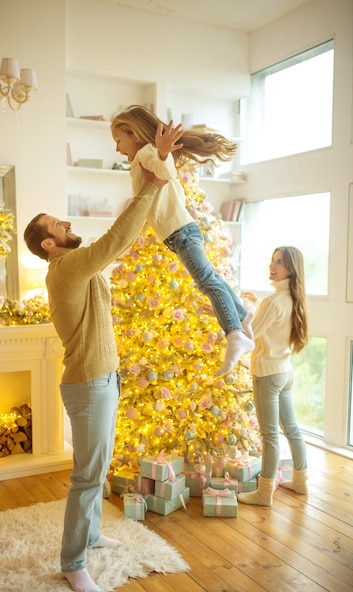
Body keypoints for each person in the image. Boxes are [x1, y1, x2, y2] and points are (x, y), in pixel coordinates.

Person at [23, 152, 174, 592]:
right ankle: (73, 561)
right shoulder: (66, 269)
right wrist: (150, 187)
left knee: (98, 467)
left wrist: (144, 182)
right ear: (48, 244)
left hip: (104, 380)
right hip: (89, 384)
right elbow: (115, 241)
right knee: (87, 476)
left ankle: (88, 536)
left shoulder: (74, 266)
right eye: (58, 225)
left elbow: (117, 231)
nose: (66, 223)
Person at [111, 105, 254, 377]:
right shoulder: (143, 156)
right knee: (210, 278)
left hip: (182, 233)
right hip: (179, 234)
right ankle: (244, 316)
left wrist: (163, 152)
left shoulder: (147, 152)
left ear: (133, 133)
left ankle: (235, 333)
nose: (118, 148)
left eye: (119, 140)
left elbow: (165, 174)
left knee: (206, 281)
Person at [237, 246, 309, 506]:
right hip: (285, 372)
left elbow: (249, 334)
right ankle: (301, 482)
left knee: (269, 435)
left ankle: (264, 492)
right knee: (291, 429)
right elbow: (273, 323)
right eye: (273, 260)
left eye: (280, 262)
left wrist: (221, 315)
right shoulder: (292, 296)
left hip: (267, 374)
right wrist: (257, 304)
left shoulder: (273, 301)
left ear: (290, 269)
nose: (273, 265)